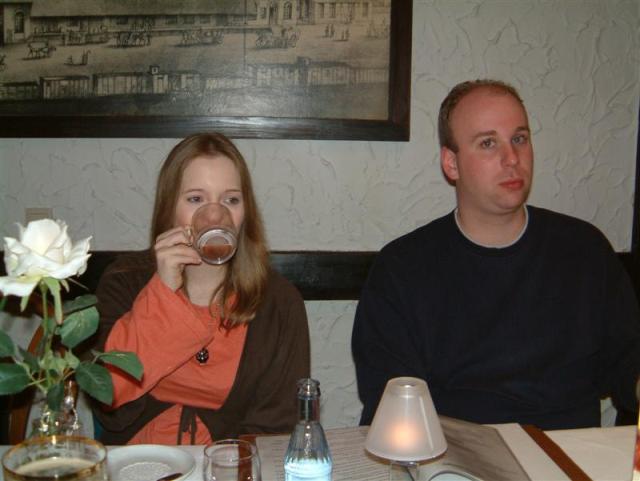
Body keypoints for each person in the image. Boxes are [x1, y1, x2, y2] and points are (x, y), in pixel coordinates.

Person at [352, 79, 640, 430]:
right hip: (455, 451)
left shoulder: (585, 250)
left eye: (519, 139)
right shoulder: (402, 269)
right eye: (488, 143)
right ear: (452, 164)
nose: (512, 159)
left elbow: (626, 362)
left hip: (569, 451)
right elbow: (392, 408)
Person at [93, 133, 310, 445]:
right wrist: (162, 292)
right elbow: (109, 393)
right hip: (137, 458)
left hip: (229, 461)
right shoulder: (123, 281)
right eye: (195, 199)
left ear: (245, 213)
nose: (215, 215)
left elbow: (275, 428)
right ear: (169, 207)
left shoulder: (279, 302)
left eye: (230, 200)